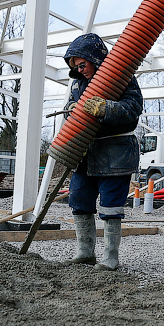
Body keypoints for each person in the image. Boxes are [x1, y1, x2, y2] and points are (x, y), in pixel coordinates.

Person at [62, 33, 143, 271]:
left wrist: (106, 108)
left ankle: (110, 256)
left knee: (110, 206)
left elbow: (134, 108)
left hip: (114, 153)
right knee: (79, 201)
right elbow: (67, 108)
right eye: (75, 67)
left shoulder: (122, 77)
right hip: (85, 152)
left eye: (82, 64)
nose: (80, 69)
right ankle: (85, 252)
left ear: (93, 57)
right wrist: (71, 110)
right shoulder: (78, 83)